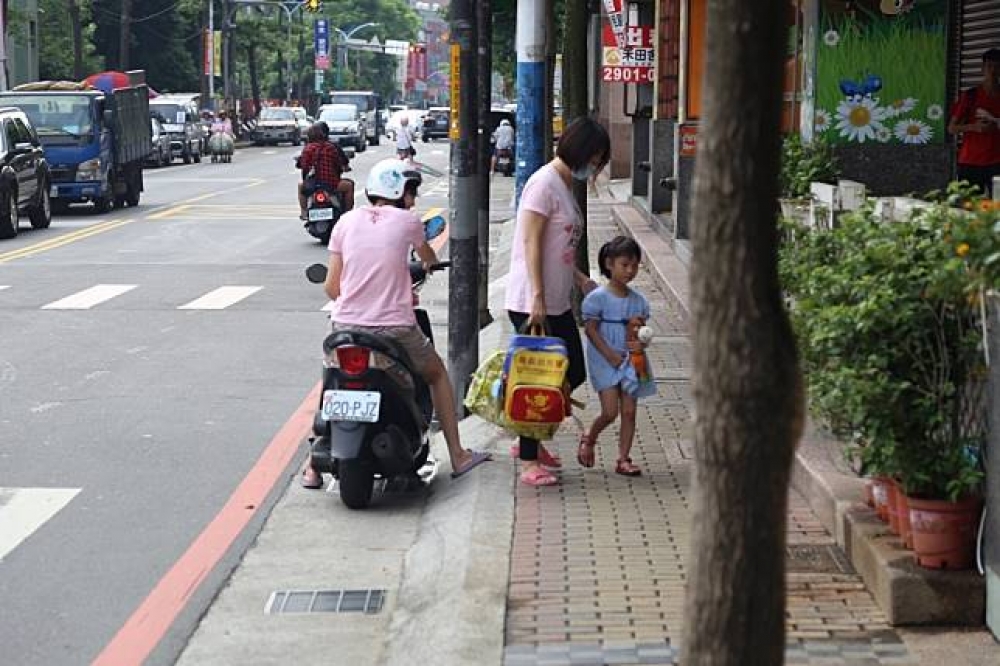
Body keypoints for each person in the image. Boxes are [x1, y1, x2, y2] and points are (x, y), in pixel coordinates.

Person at [301, 158, 491, 488]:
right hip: (395, 329)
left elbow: (332, 287)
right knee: (437, 375)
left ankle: (312, 467)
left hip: (345, 326)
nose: (413, 200)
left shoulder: (345, 222)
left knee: (332, 381)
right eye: (410, 192)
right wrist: (427, 264)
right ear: (398, 192)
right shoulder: (409, 222)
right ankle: (458, 455)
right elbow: (428, 258)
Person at [504, 116, 610, 487]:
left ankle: (528, 441)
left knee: (571, 372)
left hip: (557, 300)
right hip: (533, 300)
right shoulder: (543, 184)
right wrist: (536, 295)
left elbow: (558, 247)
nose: (595, 166)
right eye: (595, 158)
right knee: (538, 379)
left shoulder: (564, 185)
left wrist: (579, 279)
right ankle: (529, 460)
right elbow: (531, 242)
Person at [577, 236, 656, 477]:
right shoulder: (597, 299)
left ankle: (623, 458)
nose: (630, 271)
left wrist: (641, 341)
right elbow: (590, 330)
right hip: (605, 358)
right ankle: (590, 438)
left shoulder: (639, 301)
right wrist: (610, 355)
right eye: (625, 265)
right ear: (609, 264)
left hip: (633, 359)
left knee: (630, 411)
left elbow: (640, 330)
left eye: (634, 266)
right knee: (610, 411)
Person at [948, 48, 1000, 198]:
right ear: (982, 69)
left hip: (996, 162)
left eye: (997, 66)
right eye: (989, 66)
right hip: (970, 161)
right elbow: (951, 128)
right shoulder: (970, 95)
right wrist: (974, 127)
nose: (993, 71)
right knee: (967, 208)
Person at [297, 123, 353, 220]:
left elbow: (303, 166)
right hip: (331, 184)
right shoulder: (330, 147)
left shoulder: (307, 149)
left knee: (300, 186)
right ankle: (347, 215)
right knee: (349, 186)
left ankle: (304, 212)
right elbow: (338, 164)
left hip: (312, 185)